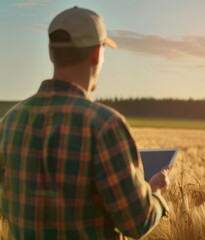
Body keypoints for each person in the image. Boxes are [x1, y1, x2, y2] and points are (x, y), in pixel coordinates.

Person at [0, 6, 170, 239]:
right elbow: (136, 223)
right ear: (96, 53)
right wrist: (154, 191)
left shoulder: (10, 121)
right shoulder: (104, 125)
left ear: (51, 53)